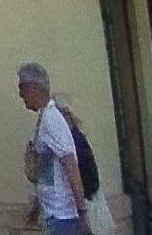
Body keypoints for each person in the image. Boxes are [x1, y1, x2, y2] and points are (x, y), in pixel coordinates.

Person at [19, 61, 89, 235]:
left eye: (22, 88)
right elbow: (47, 170)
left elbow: (70, 163)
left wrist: (82, 213)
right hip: (54, 216)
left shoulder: (51, 120)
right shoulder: (45, 118)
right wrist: (37, 206)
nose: (20, 95)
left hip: (62, 218)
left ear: (33, 87)